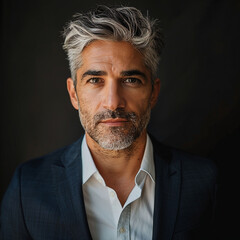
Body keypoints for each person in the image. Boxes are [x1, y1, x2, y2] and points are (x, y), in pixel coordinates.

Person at [0, 5, 217, 240]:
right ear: (74, 94)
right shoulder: (28, 188)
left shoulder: (203, 181)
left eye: (131, 80)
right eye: (95, 80)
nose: (113, 103)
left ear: (153, 93)